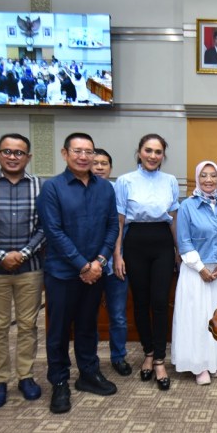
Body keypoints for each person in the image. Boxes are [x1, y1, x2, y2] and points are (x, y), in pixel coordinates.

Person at [38, 132, 120, 414]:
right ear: (65, 154)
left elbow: (112, 227)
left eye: (89, 151)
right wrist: (83, 265)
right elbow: (53, 231)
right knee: (59, 331)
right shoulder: (52, 188)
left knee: (88, 327)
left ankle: (88, 373)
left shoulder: (106, 188)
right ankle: (59, 382)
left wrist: (99, 261)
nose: (84, 156)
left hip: (96, 272)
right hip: (62, 273)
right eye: (78, 151)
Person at [0, 134, 47, 410]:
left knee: (28, 326)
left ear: (28, 157)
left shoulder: (40, 185)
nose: (13, 157)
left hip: (30, 268)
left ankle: (25, 376)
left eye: (19, 153)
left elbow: (45, 226)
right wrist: (1, 255)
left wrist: (24, 253)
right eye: (8, 151)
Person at [115, 133, 180, 391]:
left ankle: (161, 360)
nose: (153, 156)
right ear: (139, 152)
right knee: (140, 303)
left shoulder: (170, 181)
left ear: (163, 155)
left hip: (162, 242)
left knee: (160, 302)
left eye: (158, 151)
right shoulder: (125, 181)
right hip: (135, 242)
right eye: (148, 150)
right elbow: (119, 221)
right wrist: (117, 254)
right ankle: (149, 353)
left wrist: (177, 249)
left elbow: (173, 218)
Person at [171, 161, 217, 385]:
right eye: (204, 176)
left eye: (213, 176)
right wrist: (200, 268)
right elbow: (184, 241)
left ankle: (215, 360)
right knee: (197, 317)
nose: (209, 180)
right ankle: (199, 365)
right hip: (195, 271)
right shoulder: (187, 205)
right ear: (197, 178)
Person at [91, 148, 132, 377]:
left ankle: (118, 356)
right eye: (95, 163)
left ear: (110, 168)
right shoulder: (82, 191)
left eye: (104, 163)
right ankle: (91, 360)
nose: (99, 167)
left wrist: (117, 256)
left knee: (117, 314)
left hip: (115, 264)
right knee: (90, 315)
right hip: (88, 266)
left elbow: (120, 225)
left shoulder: (117, 190)